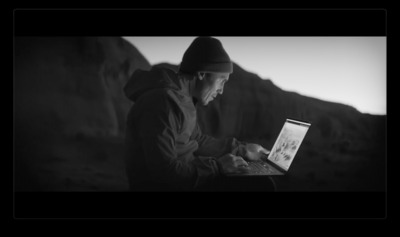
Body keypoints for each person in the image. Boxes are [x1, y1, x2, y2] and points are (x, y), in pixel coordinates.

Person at [123, 36, 276, 191]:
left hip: (189, 177)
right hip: (173, 184)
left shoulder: (183, 98)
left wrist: (242, 149)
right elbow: (164, 172)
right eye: (221, 80)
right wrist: (218, 167)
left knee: (257, 180)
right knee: (261, 186)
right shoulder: (163, 103)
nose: (221, 90)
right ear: (202, 74)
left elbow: (197, 139)